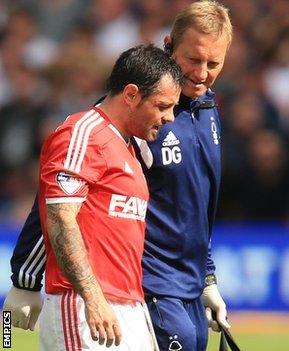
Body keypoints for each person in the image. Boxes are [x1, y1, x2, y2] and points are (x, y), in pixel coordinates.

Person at [3, 1, 233, 350]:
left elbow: (195, 206)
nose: (202, 73)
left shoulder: (208, 112)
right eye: (194, 60)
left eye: (213, 63)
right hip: (146, 284)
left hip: (183, 287)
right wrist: (26, 277)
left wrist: (206, 278)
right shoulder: (136, 112)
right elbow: (60, 196)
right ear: (169, 45)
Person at [37, 43, 184, 350]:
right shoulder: (82, 134)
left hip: (129, 305)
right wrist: (92, 298)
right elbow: (61, 218)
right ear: (131, 94)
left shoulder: (131, 148)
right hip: (82, 305)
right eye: (162, 106)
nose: (170, 117)